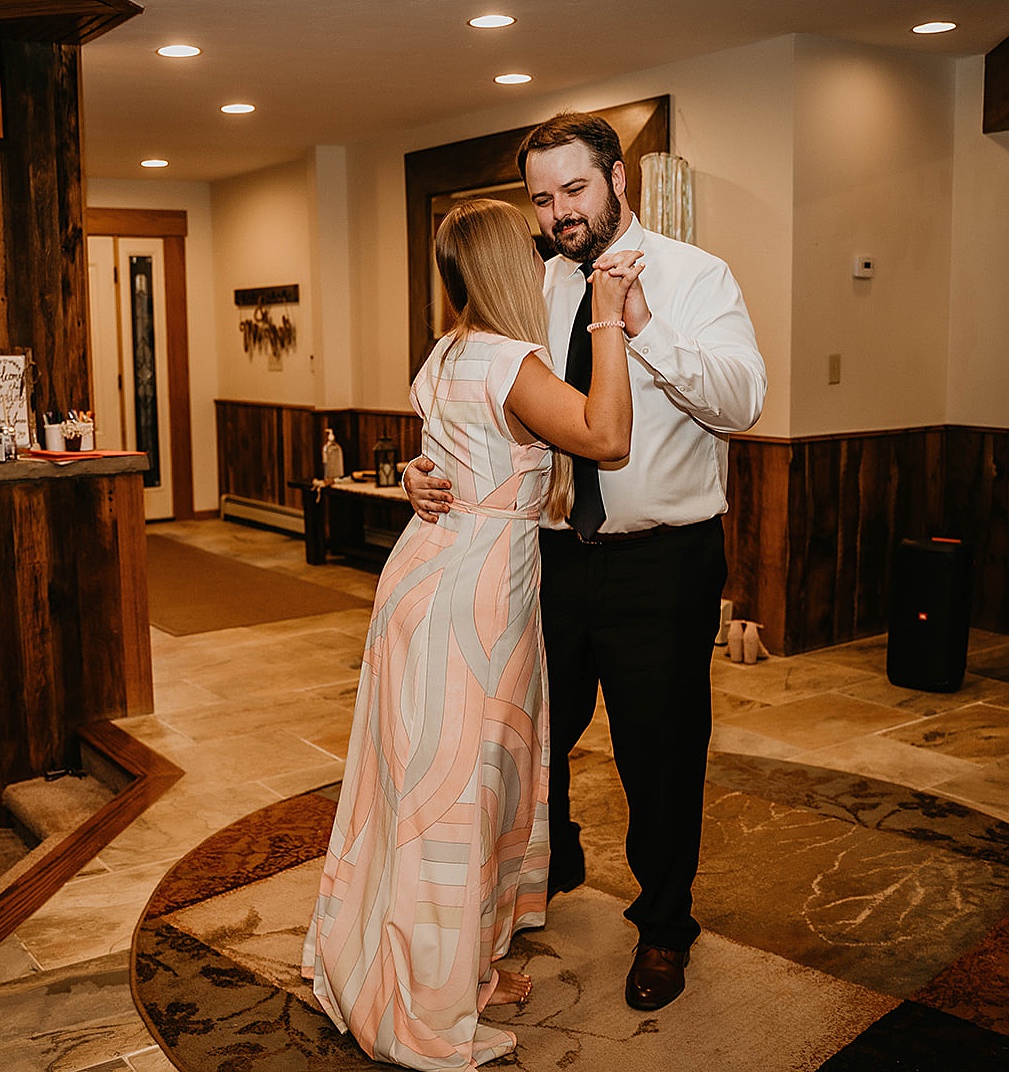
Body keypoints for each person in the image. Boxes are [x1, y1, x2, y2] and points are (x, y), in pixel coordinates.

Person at [404, 112, 767, 1013]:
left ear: (616, 179)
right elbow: (496, 402)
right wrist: (430, 469)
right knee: (532, 725)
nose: (560, 211)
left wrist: (646, 329)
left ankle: (664, 923)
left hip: (663, 558)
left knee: (660, 749)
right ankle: (550, 857)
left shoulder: (692, 275)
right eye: (542, 197)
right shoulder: (532, 288)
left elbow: (744, 403)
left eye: (574, 188)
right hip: (548, 555)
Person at [303, 197, 643, 1070]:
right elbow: (606, 437)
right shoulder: (510, 360)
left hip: (427, 574)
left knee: (421, 780)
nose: (540, 261)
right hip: (474, 595)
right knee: (457, 795)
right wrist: (608, 323)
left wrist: (422, 471)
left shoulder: (447, 353)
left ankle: (454, 965)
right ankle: (433, 989)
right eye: (528, 249)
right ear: (506, 265)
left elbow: (449, 455)